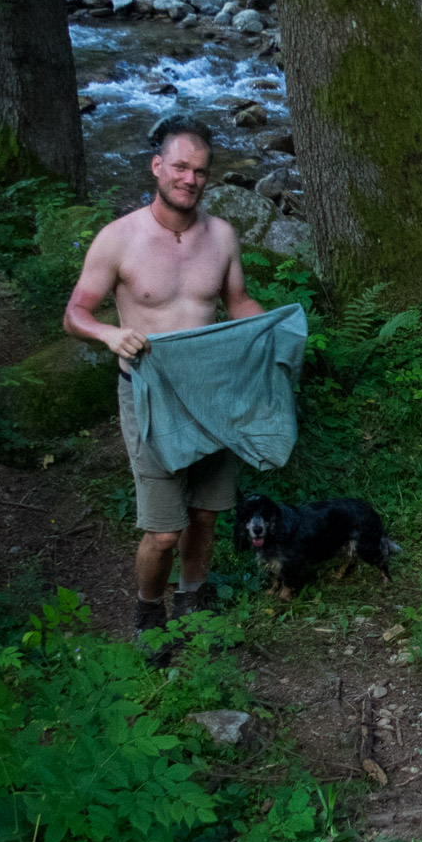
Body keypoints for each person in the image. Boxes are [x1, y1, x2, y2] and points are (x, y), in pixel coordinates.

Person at [64, 115, 265, 636]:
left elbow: (237, 302)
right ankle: (148, 609)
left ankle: (193, 596)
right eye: (180, 166)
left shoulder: (221, 236)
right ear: (157, 166)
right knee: (163, 532)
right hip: (149, 396)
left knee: (205, 515)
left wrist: (270, 334)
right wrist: (110, 335)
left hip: (212, 396)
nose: (190, 179)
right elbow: (75, 314)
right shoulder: (119, 239)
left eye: (200, 171)